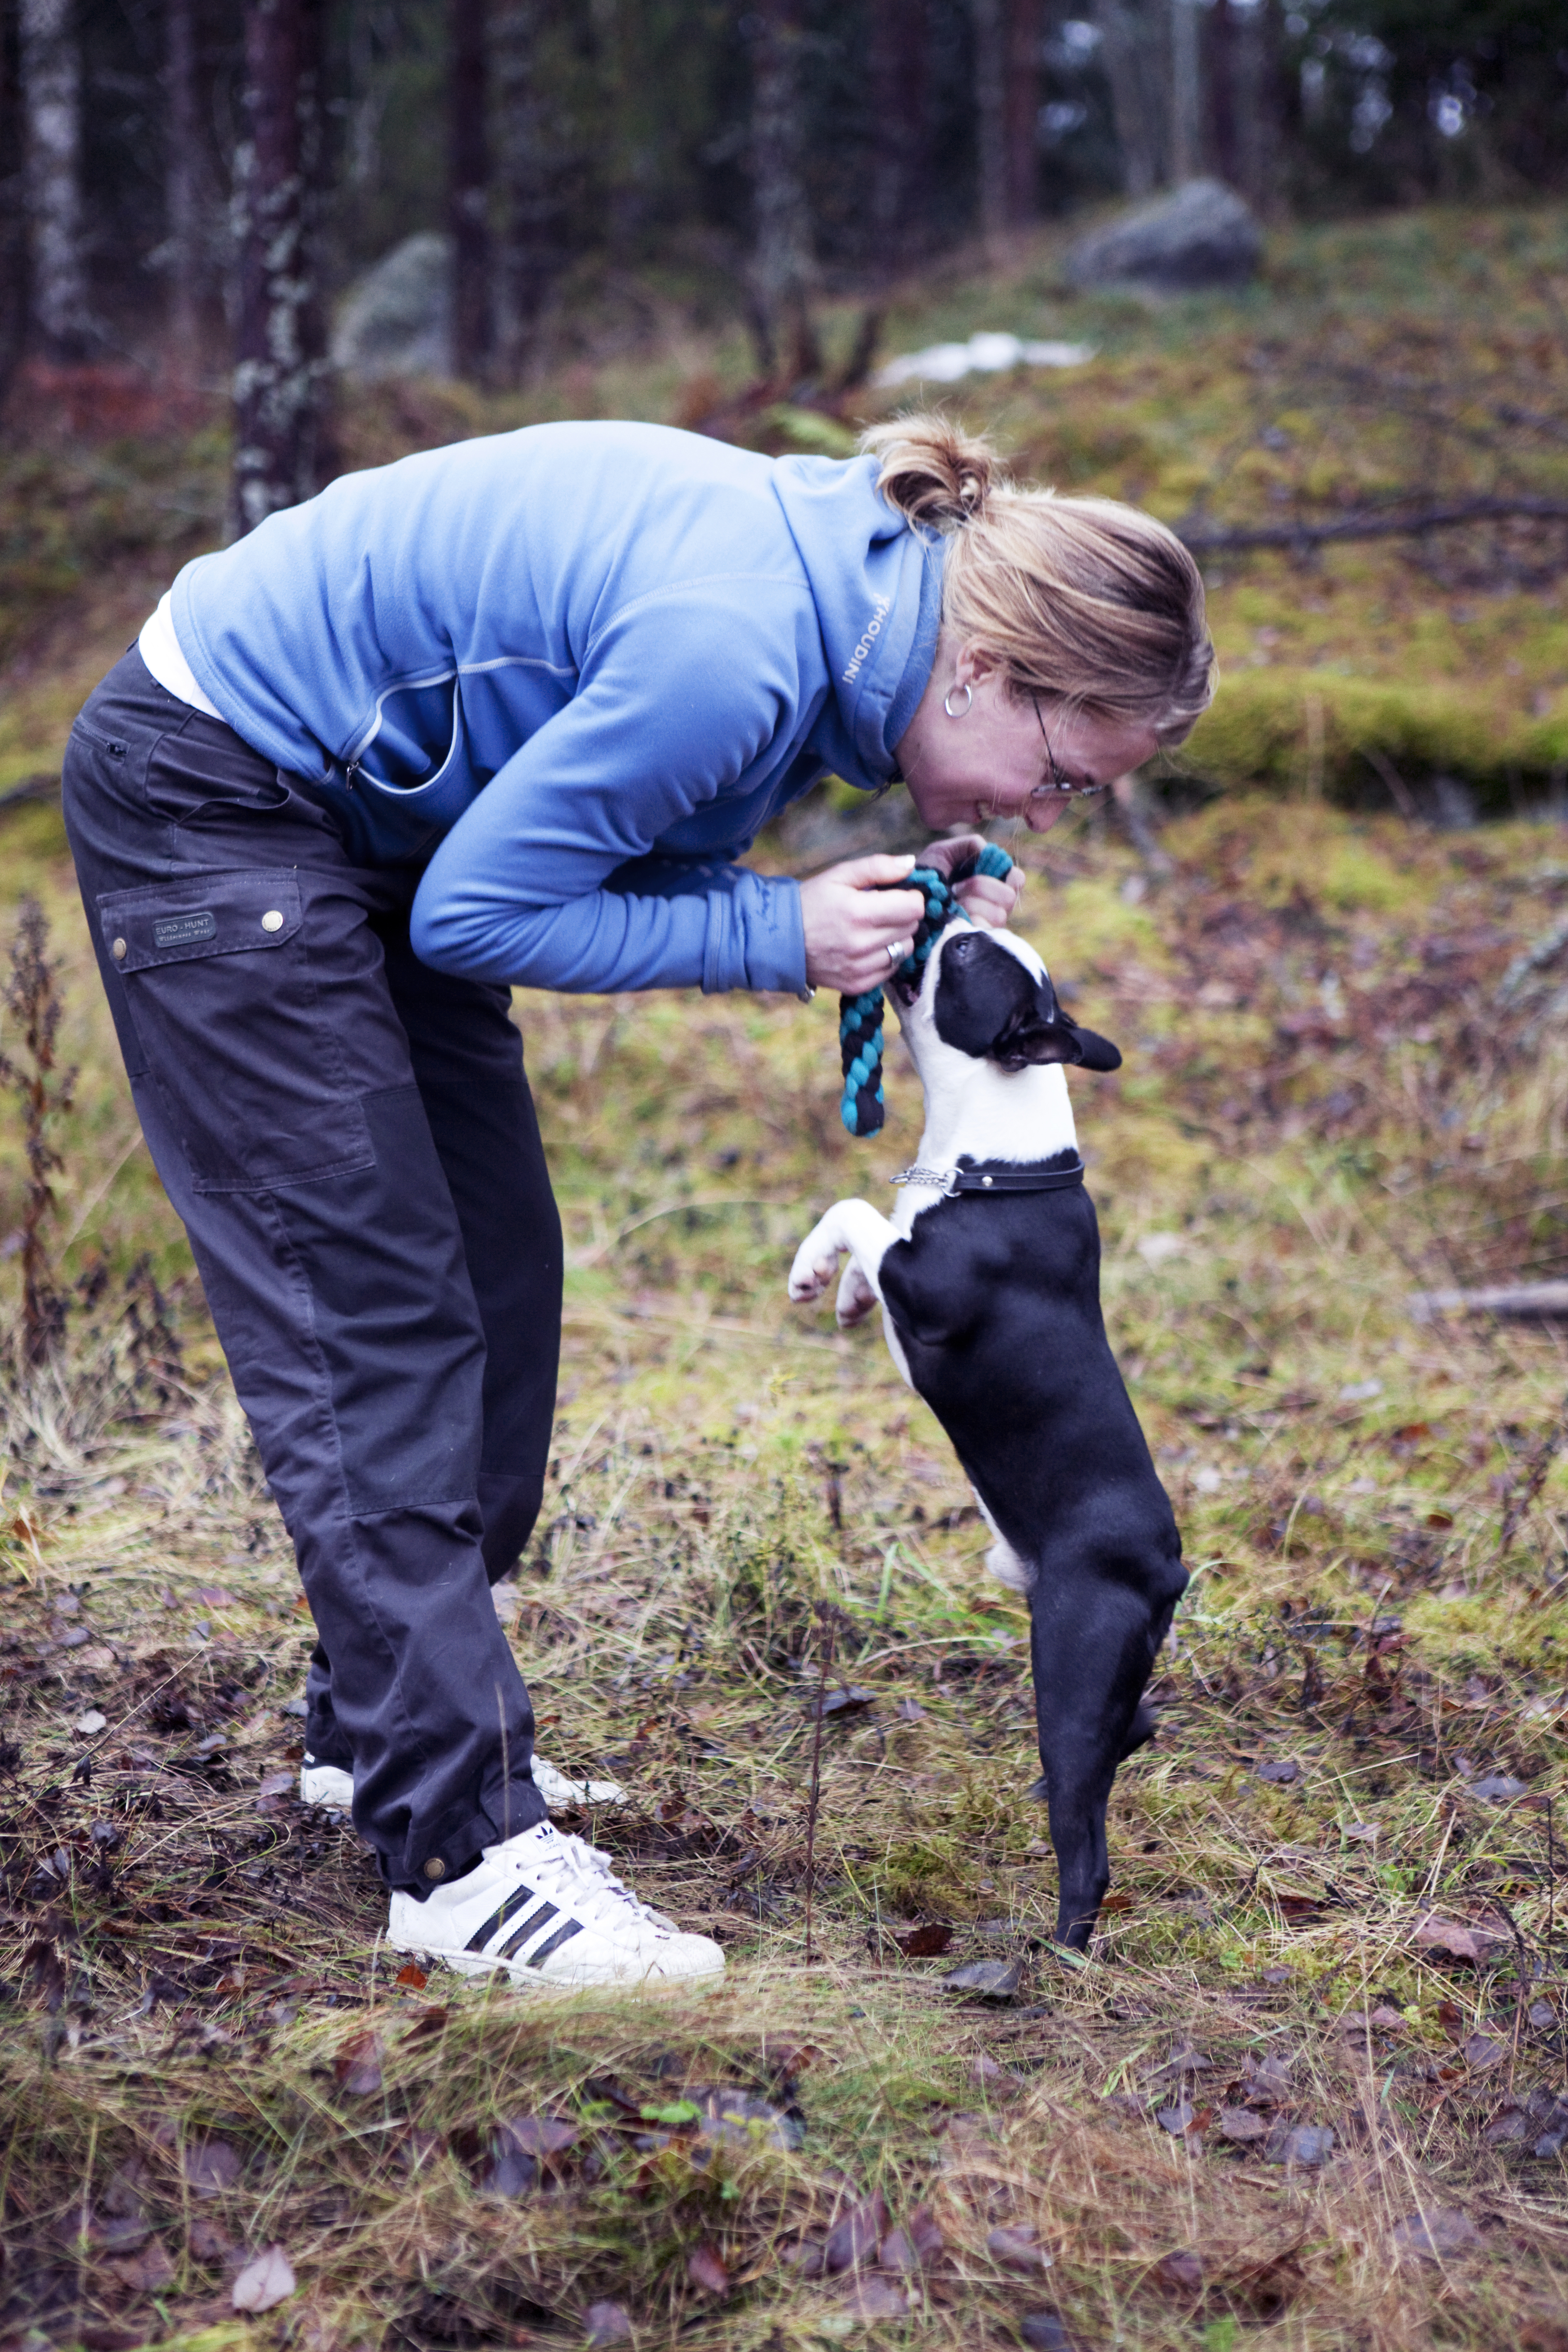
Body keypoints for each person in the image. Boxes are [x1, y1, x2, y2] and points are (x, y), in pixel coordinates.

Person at [61, 413, 1214, 1991]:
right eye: (1064, 776)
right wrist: (769, 935)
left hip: (375, 833)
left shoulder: (850, 614)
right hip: (217, 792)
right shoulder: (741, 650)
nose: (1044, 815)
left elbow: (544, 856)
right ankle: (460, 1859)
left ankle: (375, 1741)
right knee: (376, 1305)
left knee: (495, 1278)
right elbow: (486, 909)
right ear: (989, 667)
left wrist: (871, 887)